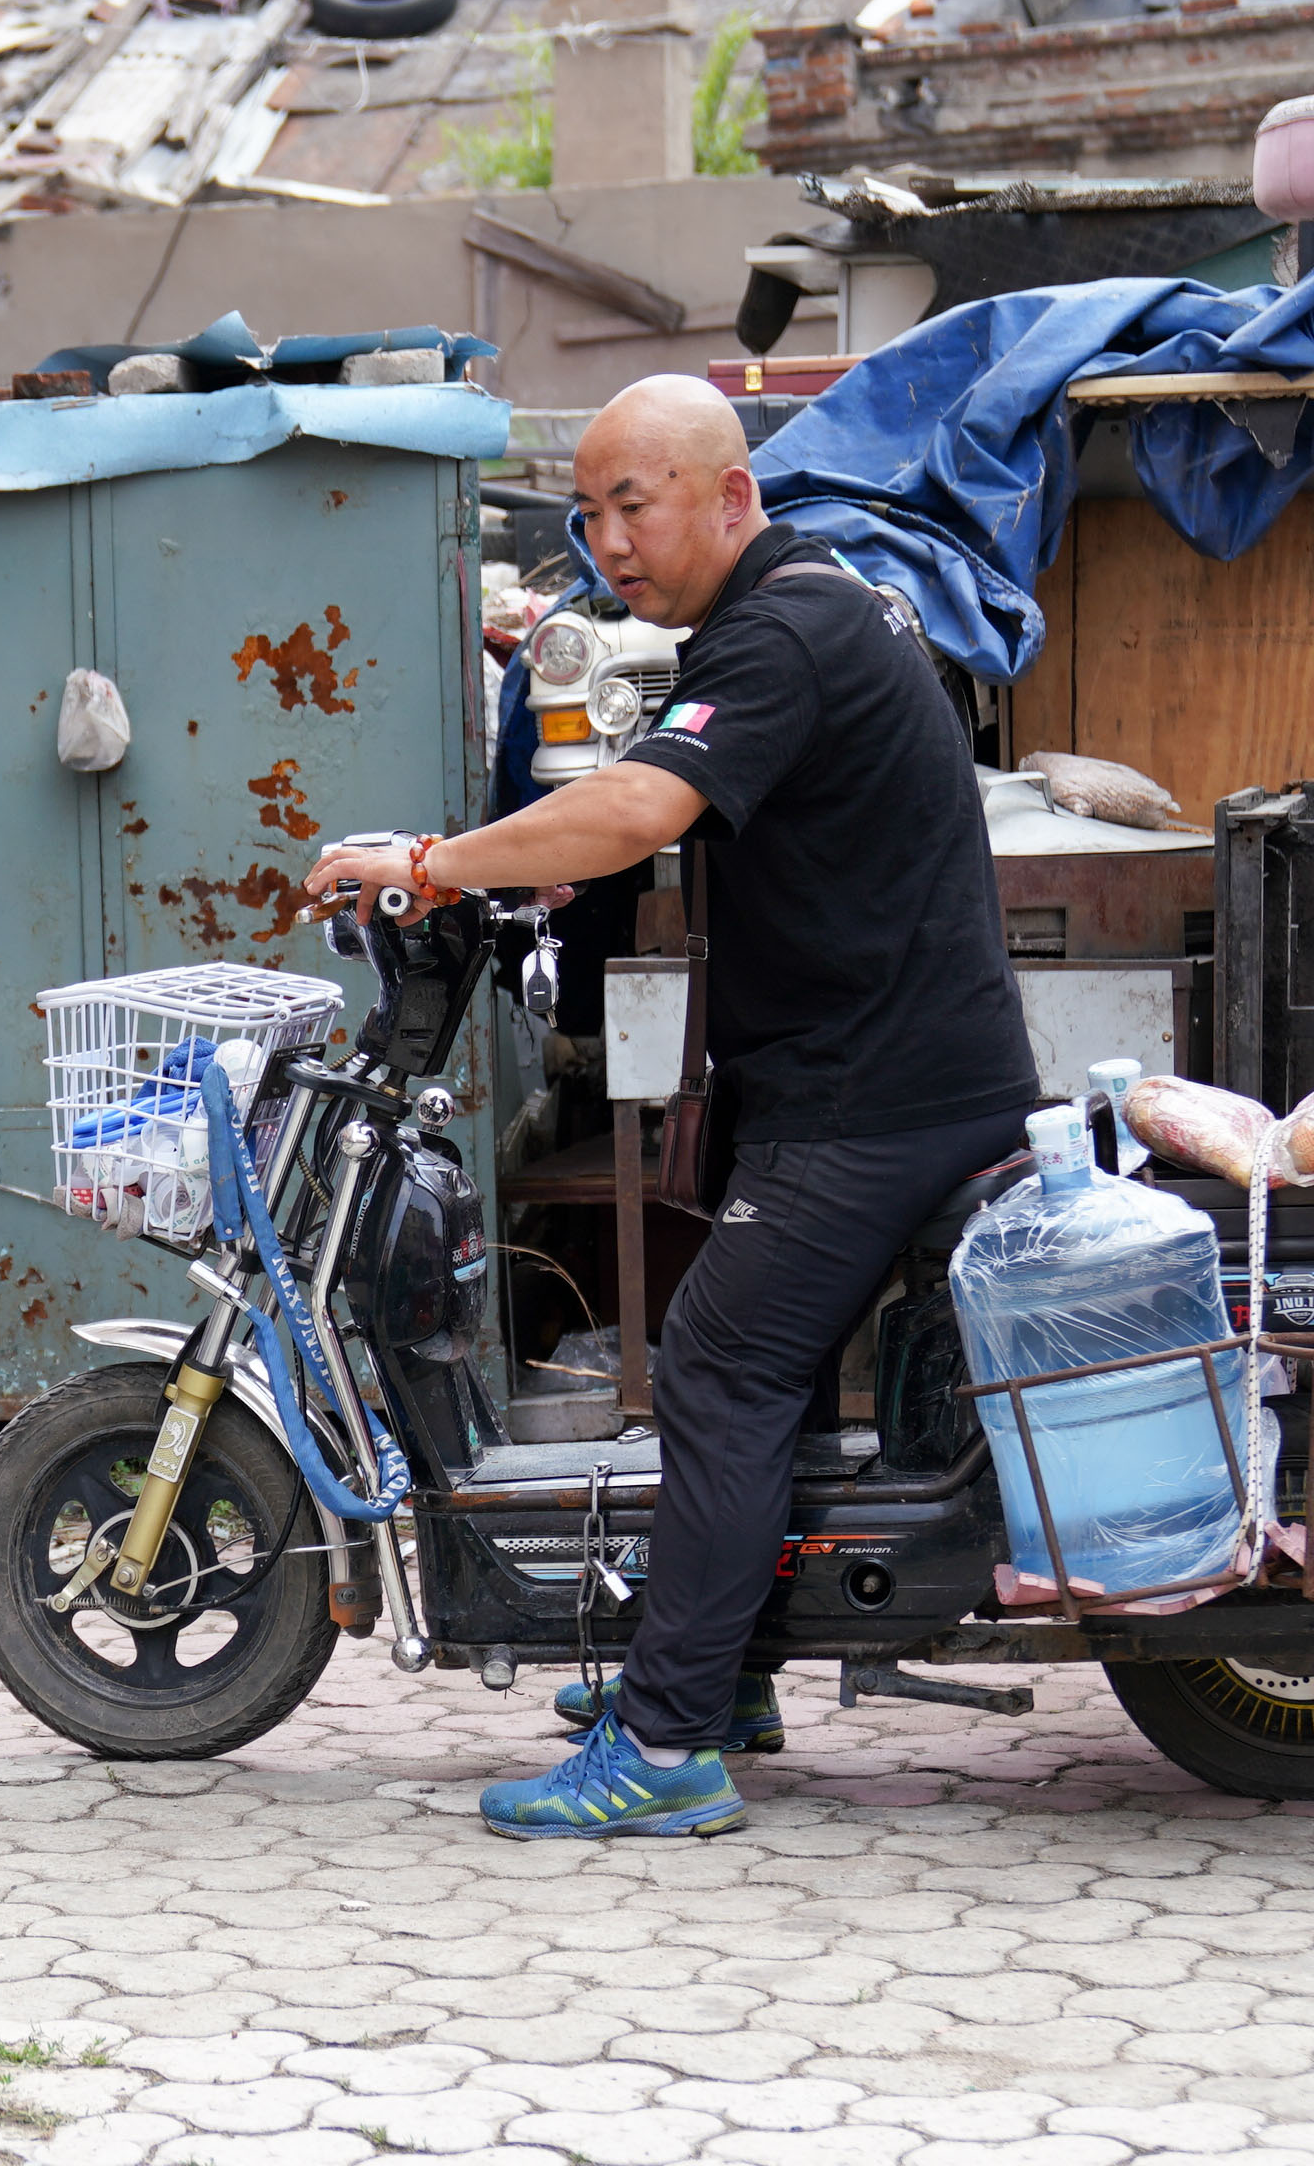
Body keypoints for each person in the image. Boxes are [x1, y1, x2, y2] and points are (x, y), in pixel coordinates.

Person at [305, 375, 1040, 1838]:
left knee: (715, 1366)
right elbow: (677, 804)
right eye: (586, 512)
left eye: (631, 504)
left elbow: (643, 804)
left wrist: (437, 860)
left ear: (729, 494)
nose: (607, 541)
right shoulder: (794, 615)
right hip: (876, 1079)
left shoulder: (786, 629)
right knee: (752, 1376)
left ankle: (668, 1746)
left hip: (875, 1098)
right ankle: (723, 1669)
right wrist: (557, 865)